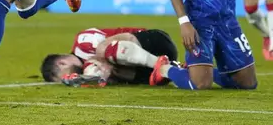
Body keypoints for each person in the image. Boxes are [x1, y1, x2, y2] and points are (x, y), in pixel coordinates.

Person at [40, 27, 179, 87]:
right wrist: (103, 75)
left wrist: (96, 65)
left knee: (103, 50)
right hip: (149, 74)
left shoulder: (81, 42)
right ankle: (175, 70)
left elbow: (108, 48)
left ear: (61, 64)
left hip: (154, 43)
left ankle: (160, 64)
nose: (69, 78)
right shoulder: (88, 69)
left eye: (65, 76)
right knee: (116, 72)